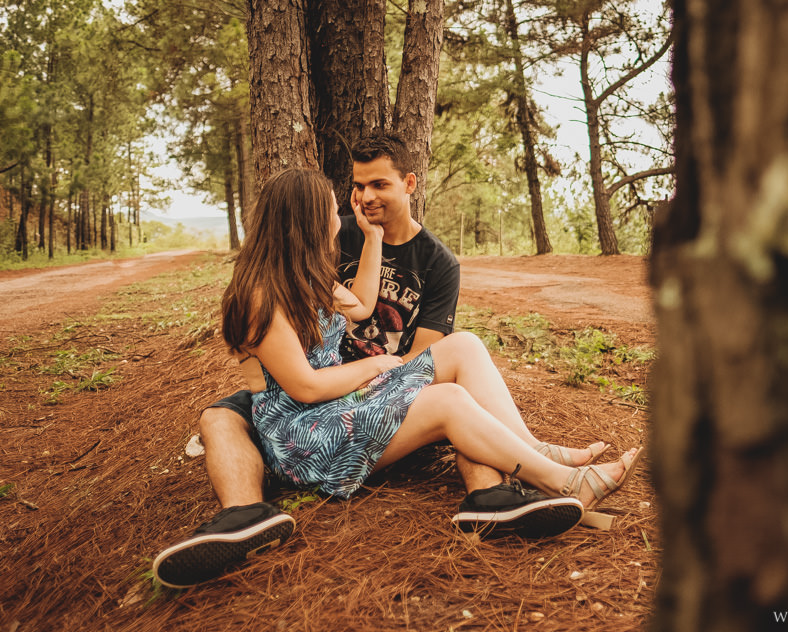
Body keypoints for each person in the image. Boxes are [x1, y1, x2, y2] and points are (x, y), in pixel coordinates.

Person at [153, 142, 636, 589]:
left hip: (334, 406)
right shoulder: (263, 297)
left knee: (463, 344)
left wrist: (372, 238)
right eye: (330, 213)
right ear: (304, 222)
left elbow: (363, 304)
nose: (340, 217)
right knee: (447, 399)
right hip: (300, 435)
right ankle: (563, 481)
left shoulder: (309, 277)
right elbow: (303, 387)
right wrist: (376, 365)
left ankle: (532, 459)